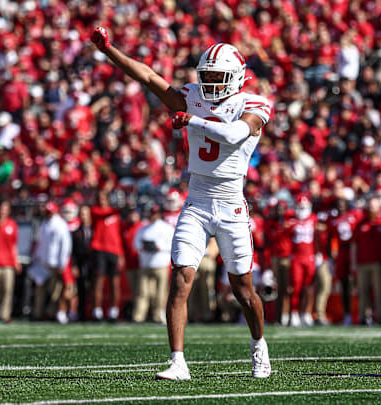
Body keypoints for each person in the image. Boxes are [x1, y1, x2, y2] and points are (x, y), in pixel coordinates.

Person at [92, 27, 271, 379]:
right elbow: (147, 76)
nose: (212, 84)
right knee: (181, 278)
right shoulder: (193, 96)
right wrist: (109, 50)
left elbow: (235, 134)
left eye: (219, 77)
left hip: (232, 204)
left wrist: (193, 120)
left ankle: (259, 347)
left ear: (235, 77)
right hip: (198, 200)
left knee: (243, 288)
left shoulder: (253, 103)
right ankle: (177, 361)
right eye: (207, 77)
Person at [353, 197, 381, 326]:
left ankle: (380, 317)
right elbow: (355, 244)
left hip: (378, 262)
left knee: (379, 291)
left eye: (374, 206)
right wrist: (353, 263)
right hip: (362, 262)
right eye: (370, 206)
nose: (371, 209)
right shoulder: (361, 224)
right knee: (363, 291)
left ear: (379, 208)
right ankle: (363, 317)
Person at [28, 201, 71, 321]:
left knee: (55, 292)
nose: (48, 214)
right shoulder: (44, 224)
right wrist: (36, 258)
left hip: (55, 264)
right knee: (40, 290)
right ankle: (38, 313)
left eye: (49, 212)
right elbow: (41, 243)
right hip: (43, 263)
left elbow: (65, 245)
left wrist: (62, 263)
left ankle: (52, 314)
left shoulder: (60, 224)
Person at [132, 205, 174, 323]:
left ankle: (159, 315)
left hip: (161, 264)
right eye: (151, 213)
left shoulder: (167, 228)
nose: (153, 215)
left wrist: (160, 247)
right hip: (145, 264)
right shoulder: (143, 228)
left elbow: (173, 245)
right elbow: (135, 244)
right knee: (142, 292)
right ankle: (139, 316)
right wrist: (144, 247)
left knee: (161, 293)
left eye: (155, 213)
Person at [89, 192, 124, 321]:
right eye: (99, 198)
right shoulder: (95, 211)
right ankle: (97, 311)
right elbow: (102, 214)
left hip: (114, 251)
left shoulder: (115, 214)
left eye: (103, 198)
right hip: (99, 250)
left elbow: (117, 234)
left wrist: (120, 253)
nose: (101, 201)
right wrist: (118, 209)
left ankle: (113, 311)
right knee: (98, 282)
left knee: (114, 283)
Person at [329, 193, 362, 325]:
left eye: (343, 204)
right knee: (344, 283)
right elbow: (331, 238)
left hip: (355, 249)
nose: (341, 207)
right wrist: (332, 256)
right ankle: (347, 314)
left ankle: (363, 312)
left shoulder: (355, 215)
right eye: (339, 205)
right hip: (342, 251)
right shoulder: (334, 220)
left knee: (358, 282)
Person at [287, 196, 318, 327]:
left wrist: (319, 253)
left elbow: (319, 237)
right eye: (300, 207)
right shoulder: (291, 221)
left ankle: (306, 313)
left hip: (310, 257)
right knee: (296, 286)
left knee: (309, 288)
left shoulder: (314, 219)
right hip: (297, 258)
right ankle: (294, 313)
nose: (302, 210)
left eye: (304, 207)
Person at [0, 201, 20, 323]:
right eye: (1, 208)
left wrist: (16, 261)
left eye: (5, 208)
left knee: (7, 291)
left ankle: (5, 315)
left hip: (8, 263)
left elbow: (13, 245)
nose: (3, 211)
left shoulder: (12, 224)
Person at [71, 205, 94, 321]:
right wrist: (74, 265)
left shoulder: (95, 229)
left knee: (94, 288)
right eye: (82, 214)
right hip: (80, 263)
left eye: (86, 213)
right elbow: (74, 251)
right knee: (80, 289)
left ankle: (94, 312)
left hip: (93, 263)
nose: (84, 216)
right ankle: (81, 313)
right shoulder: (76, 232)